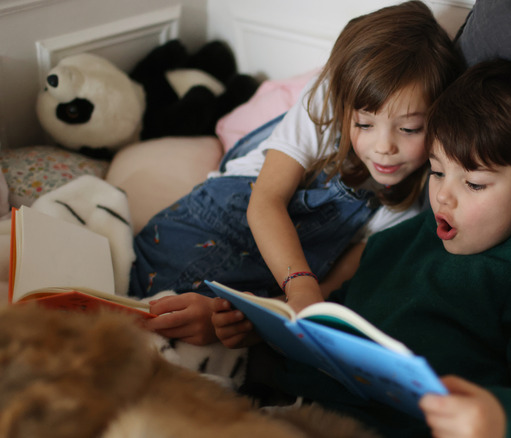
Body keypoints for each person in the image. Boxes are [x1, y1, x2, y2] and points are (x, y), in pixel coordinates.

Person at [213, 59, 511, 438]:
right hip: (296, 403)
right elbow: (335, 317)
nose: (443, 197)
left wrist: (499, 417)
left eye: (474, 184)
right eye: (437, 172)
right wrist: (260, 327)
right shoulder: (398, 241)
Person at [127, 1, 464, 345]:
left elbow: (330, 287)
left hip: (272, 279)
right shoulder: (323, 101)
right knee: (142, 315)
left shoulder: (412, 205)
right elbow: (266, 201)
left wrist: (260, 317)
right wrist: (300, 285)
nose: (383, 147)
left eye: (408, 129)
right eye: (364, 123)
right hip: (218, 223)